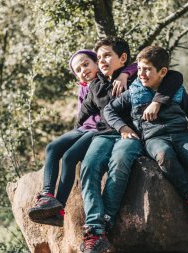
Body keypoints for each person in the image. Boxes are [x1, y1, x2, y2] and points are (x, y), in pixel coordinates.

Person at [104, 45, 188, 225]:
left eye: (147, 69)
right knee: (164, 156)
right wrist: (122, 128)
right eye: (139, 69)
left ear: (162, 72)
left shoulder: (176, 90)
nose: (141, 73)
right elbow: (109, 110)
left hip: (180, 135)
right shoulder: (133, 92)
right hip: (153, 139)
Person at [77, 38, 183, 253]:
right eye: (99, 58)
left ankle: (105, 220)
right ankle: (95, 228)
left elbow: (174, 77)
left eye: (107, 55)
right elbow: (83, 114)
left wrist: (129, 75)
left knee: (120, 161)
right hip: (106, 135)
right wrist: (78, 131)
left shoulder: (138, 75)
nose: (102, 60)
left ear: (123, 58)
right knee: (89, 166)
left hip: (134, 136)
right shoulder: (96, 84)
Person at [27, 49, 136, 226]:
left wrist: (124, 74)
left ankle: (60, 208)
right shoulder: (83, 88)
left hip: (99, 130)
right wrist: (75, 132)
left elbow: (136, 65)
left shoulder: (108, 79)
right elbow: (81, 116)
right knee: (52, 148)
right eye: (78, 70)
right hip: (83, 129)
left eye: (86, 64)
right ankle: (47, 196)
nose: (83, 70)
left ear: (97, 63)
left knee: (70, 157)